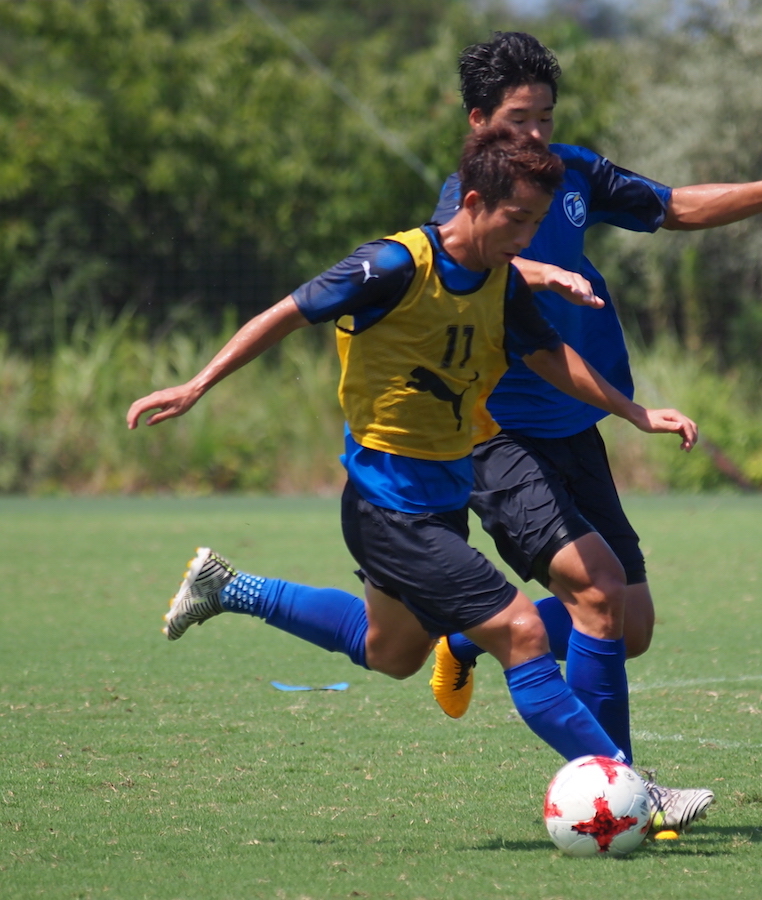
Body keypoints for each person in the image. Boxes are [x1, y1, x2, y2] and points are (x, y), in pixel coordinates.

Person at [125, 126, 712, 828]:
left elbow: (550, 355)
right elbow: (286, 313)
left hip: (440, 499)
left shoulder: (499, 280)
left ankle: (230, 586)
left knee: (393, 651)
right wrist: (197, 384)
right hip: (385, 506)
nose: (527, 238)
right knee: (523, 630)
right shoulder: (391, 266)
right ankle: (638, 792)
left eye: (535, 222)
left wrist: (636, 411)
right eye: (518, 219)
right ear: (473, 201)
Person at [421, 32, 762, 736]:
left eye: (546, 118)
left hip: (572, 421)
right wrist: (540, 274)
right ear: (478, 123)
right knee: (597, 595)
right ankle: (614, 783)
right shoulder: (466, 194)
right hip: (496, 433)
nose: (536, 135)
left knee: (631, 624)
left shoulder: (572, 173)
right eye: (518, 120)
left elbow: (674, 206)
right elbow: (459, 255)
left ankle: (468, 640)